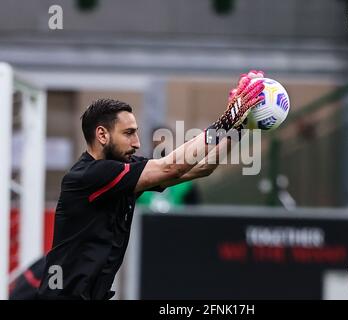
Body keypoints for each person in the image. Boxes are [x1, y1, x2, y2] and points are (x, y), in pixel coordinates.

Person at [37, 71, 265, 300]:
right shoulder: (89, 175)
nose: (137, 143)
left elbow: (203, 168)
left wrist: (240, 126)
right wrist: (229, 117)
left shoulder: (122, 171)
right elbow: (171, 167)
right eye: (128, 133)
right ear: (102, 135)